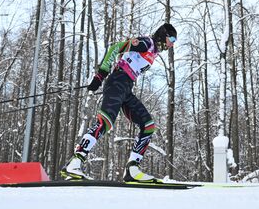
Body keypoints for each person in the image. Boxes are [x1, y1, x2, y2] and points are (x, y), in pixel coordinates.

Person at [60, 23, 177, 183]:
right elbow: (116, 47)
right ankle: (75, 162)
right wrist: (100, 75)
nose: (172, 43)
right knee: (105, 123)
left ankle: (132, 169)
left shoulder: (153, 52)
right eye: (171, 38)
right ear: (163, 35)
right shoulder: (147, 43)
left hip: (126, 88)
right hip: (117, 81)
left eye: (174, 40)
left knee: (148, 125)